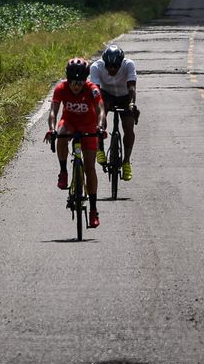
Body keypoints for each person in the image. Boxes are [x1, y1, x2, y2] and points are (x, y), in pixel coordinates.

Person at [45, 57, 106, 228]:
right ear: (68, 79)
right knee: (61, 133)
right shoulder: (61, 88)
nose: (76, 86)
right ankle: (63, 171)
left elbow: (101, 109)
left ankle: (93, 210)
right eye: (73, 82)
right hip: (69, 122)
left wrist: (100, 127)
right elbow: (53, 111)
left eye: (80, 82)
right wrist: (51, 129)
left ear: (85, 80)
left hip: (88, 125)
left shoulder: (92, 90)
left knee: (90, 168)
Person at [89, 44, 139, 181]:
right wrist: (98, 110)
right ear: (104, 63)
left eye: (115, 66)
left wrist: (132, 104)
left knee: (128, 128)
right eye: (109, 66)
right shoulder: (96, 67)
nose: (112, 69)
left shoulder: (128, 65)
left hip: (125, 96)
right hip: (106, 95)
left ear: (120, 63)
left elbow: (132, 88)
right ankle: (100, 148)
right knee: (100, 120)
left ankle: (126, 162)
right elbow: (95, 91)